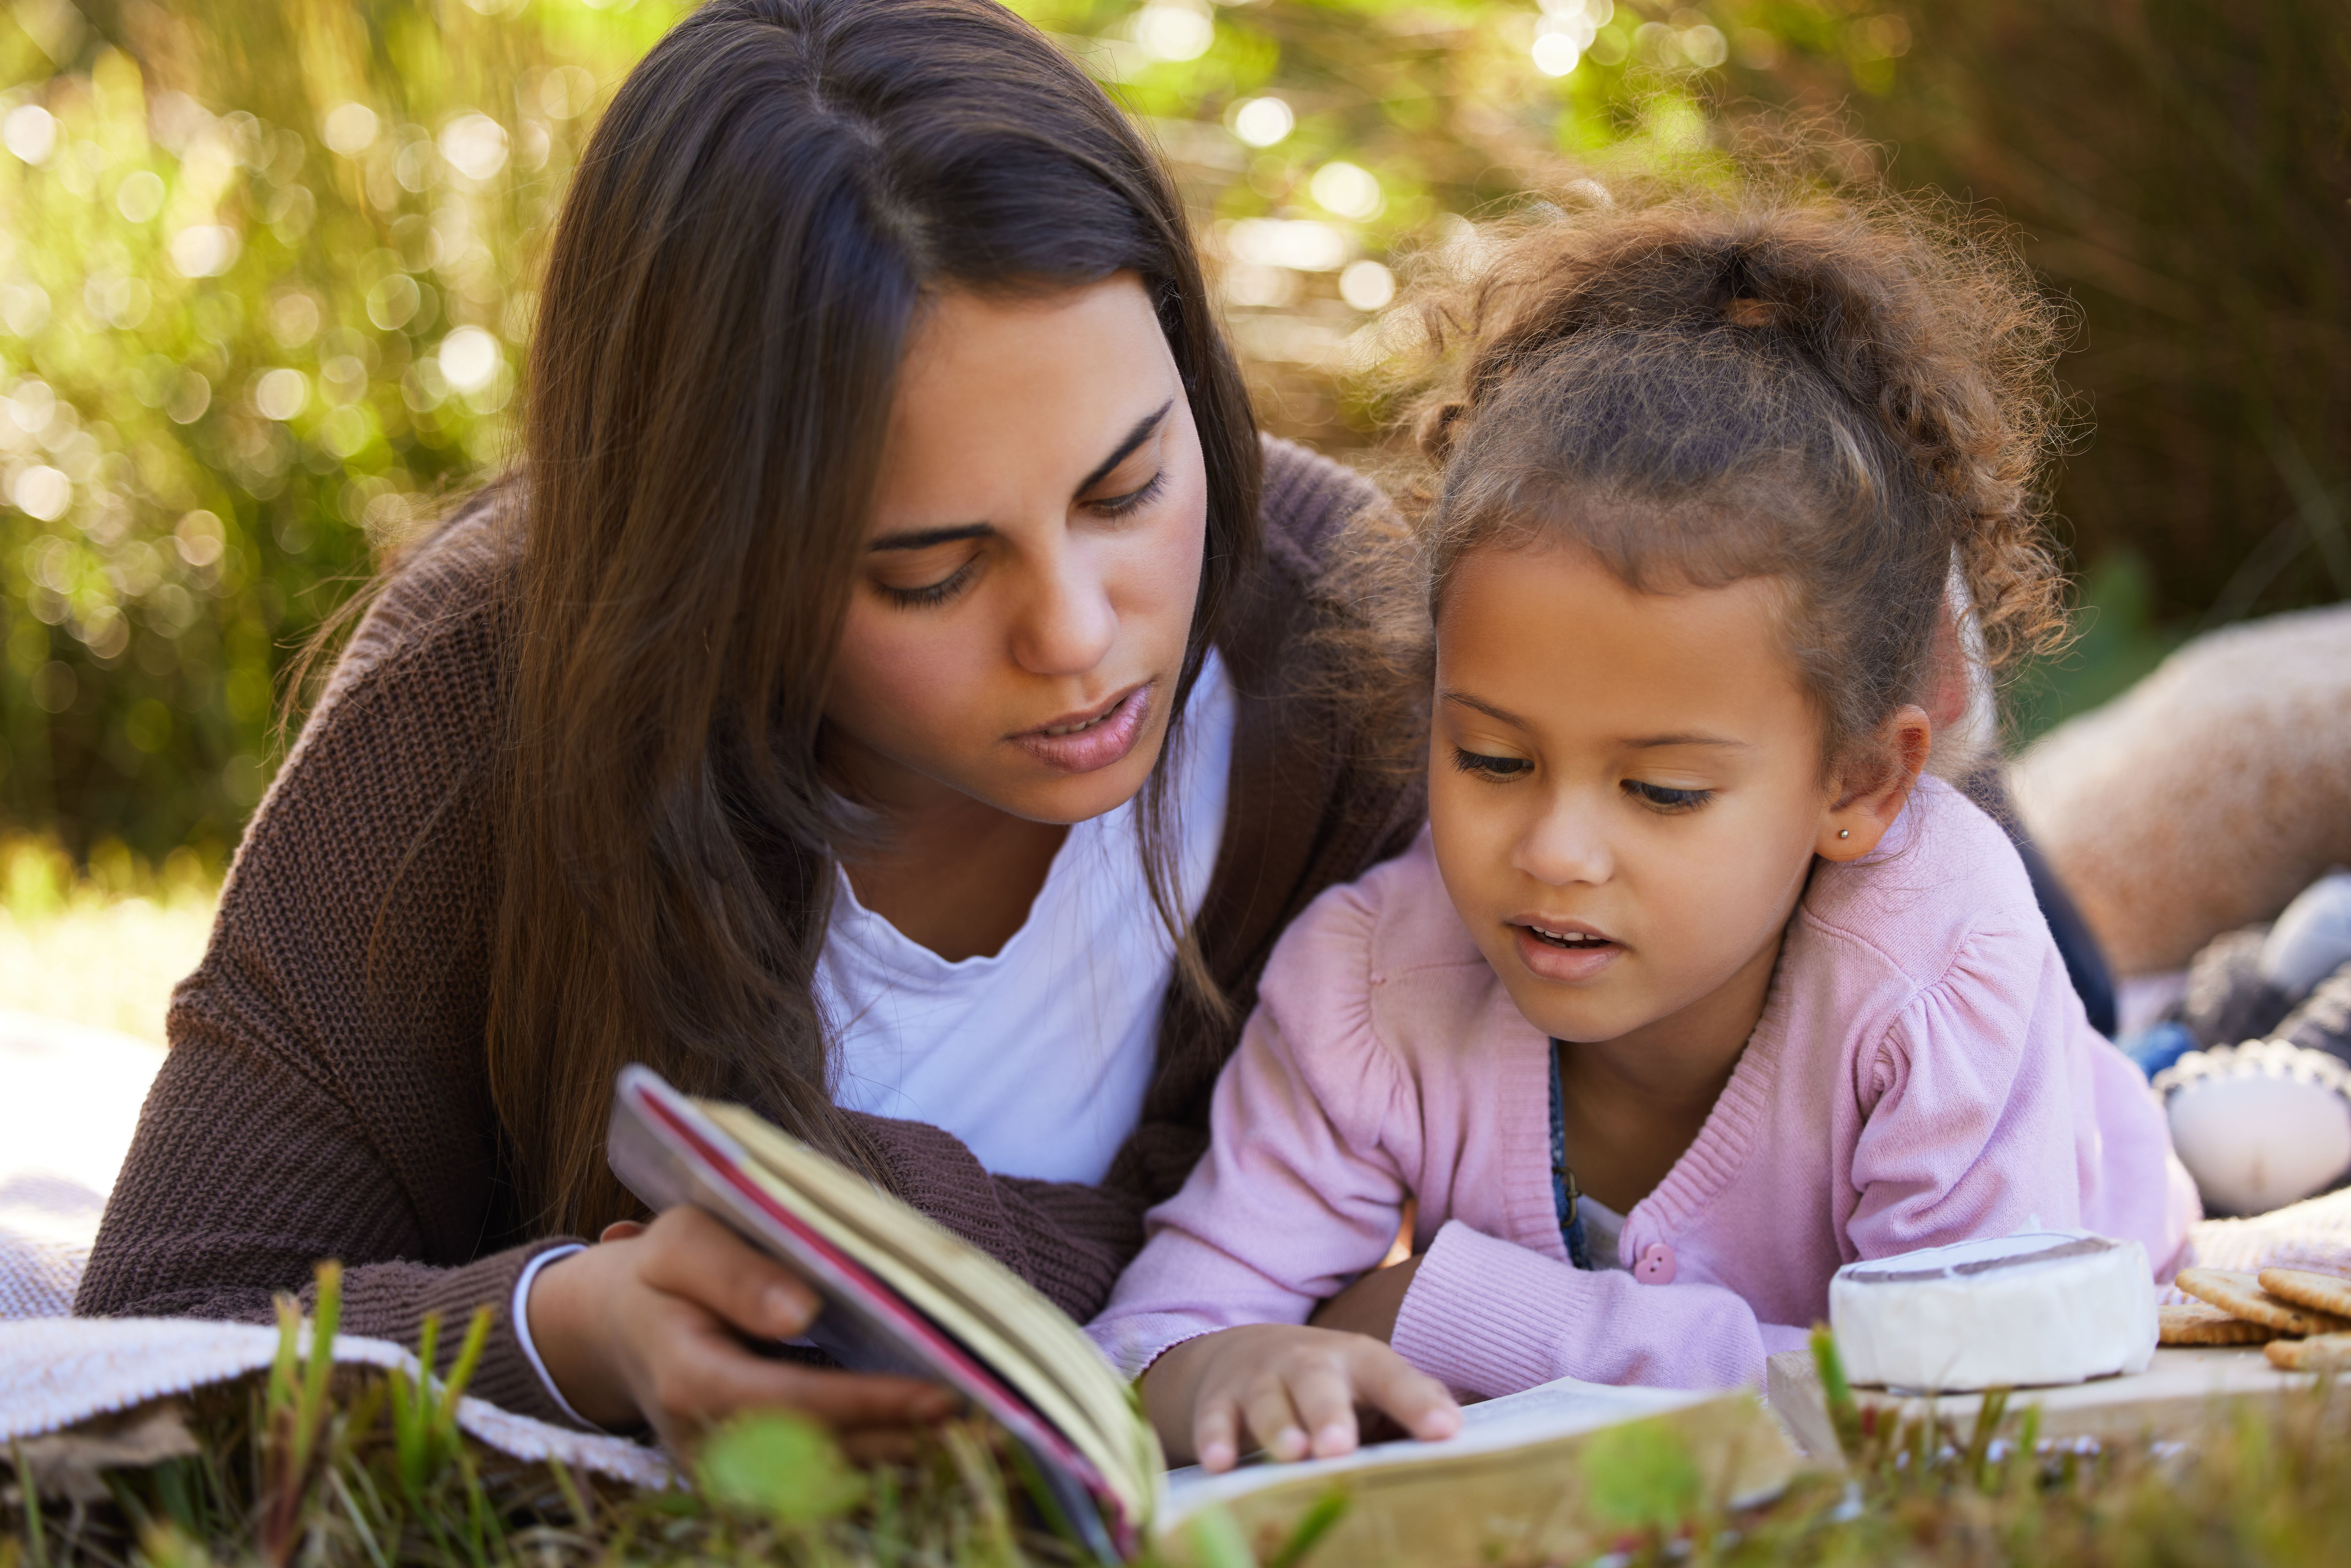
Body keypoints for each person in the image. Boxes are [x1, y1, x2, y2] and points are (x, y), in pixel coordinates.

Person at [75, 0, 1421, 1452]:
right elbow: (154, 1339)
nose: (1078, 636)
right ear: (711, 559)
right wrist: (568, 1326)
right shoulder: (474, 700)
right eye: (930, 572)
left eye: (1128, 491)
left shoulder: (1337, 643)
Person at [1087, 187, 2203, 1473]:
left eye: (1663, 791)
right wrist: (1220, 1364)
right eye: (1493, 757)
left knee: (2203, 1098)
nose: (1557, 849)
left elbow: (1968, 1407)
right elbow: (1140, 1350)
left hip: (2100, 1171)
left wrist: (1464, 1317)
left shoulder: (1936, 967)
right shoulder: (1370, 984)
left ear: (1858, 784)